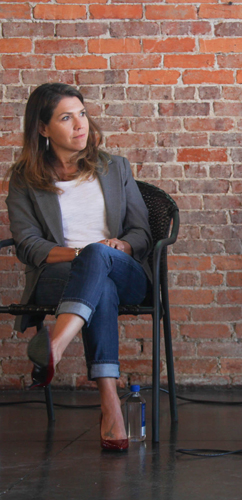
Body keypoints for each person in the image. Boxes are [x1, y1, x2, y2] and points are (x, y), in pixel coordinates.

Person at [7, 83, 152, 451]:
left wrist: (121, 244)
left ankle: (55, 345)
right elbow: (27, 245)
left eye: (82, 114)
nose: (79, 125)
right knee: (95, 272)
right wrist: (81, 255)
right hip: (62, 276)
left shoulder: (114, 167)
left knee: (100, 260)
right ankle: (110, 404)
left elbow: (142, 233)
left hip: (123, 273)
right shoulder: (25, 178)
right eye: (66, 118)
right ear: (43, 129)